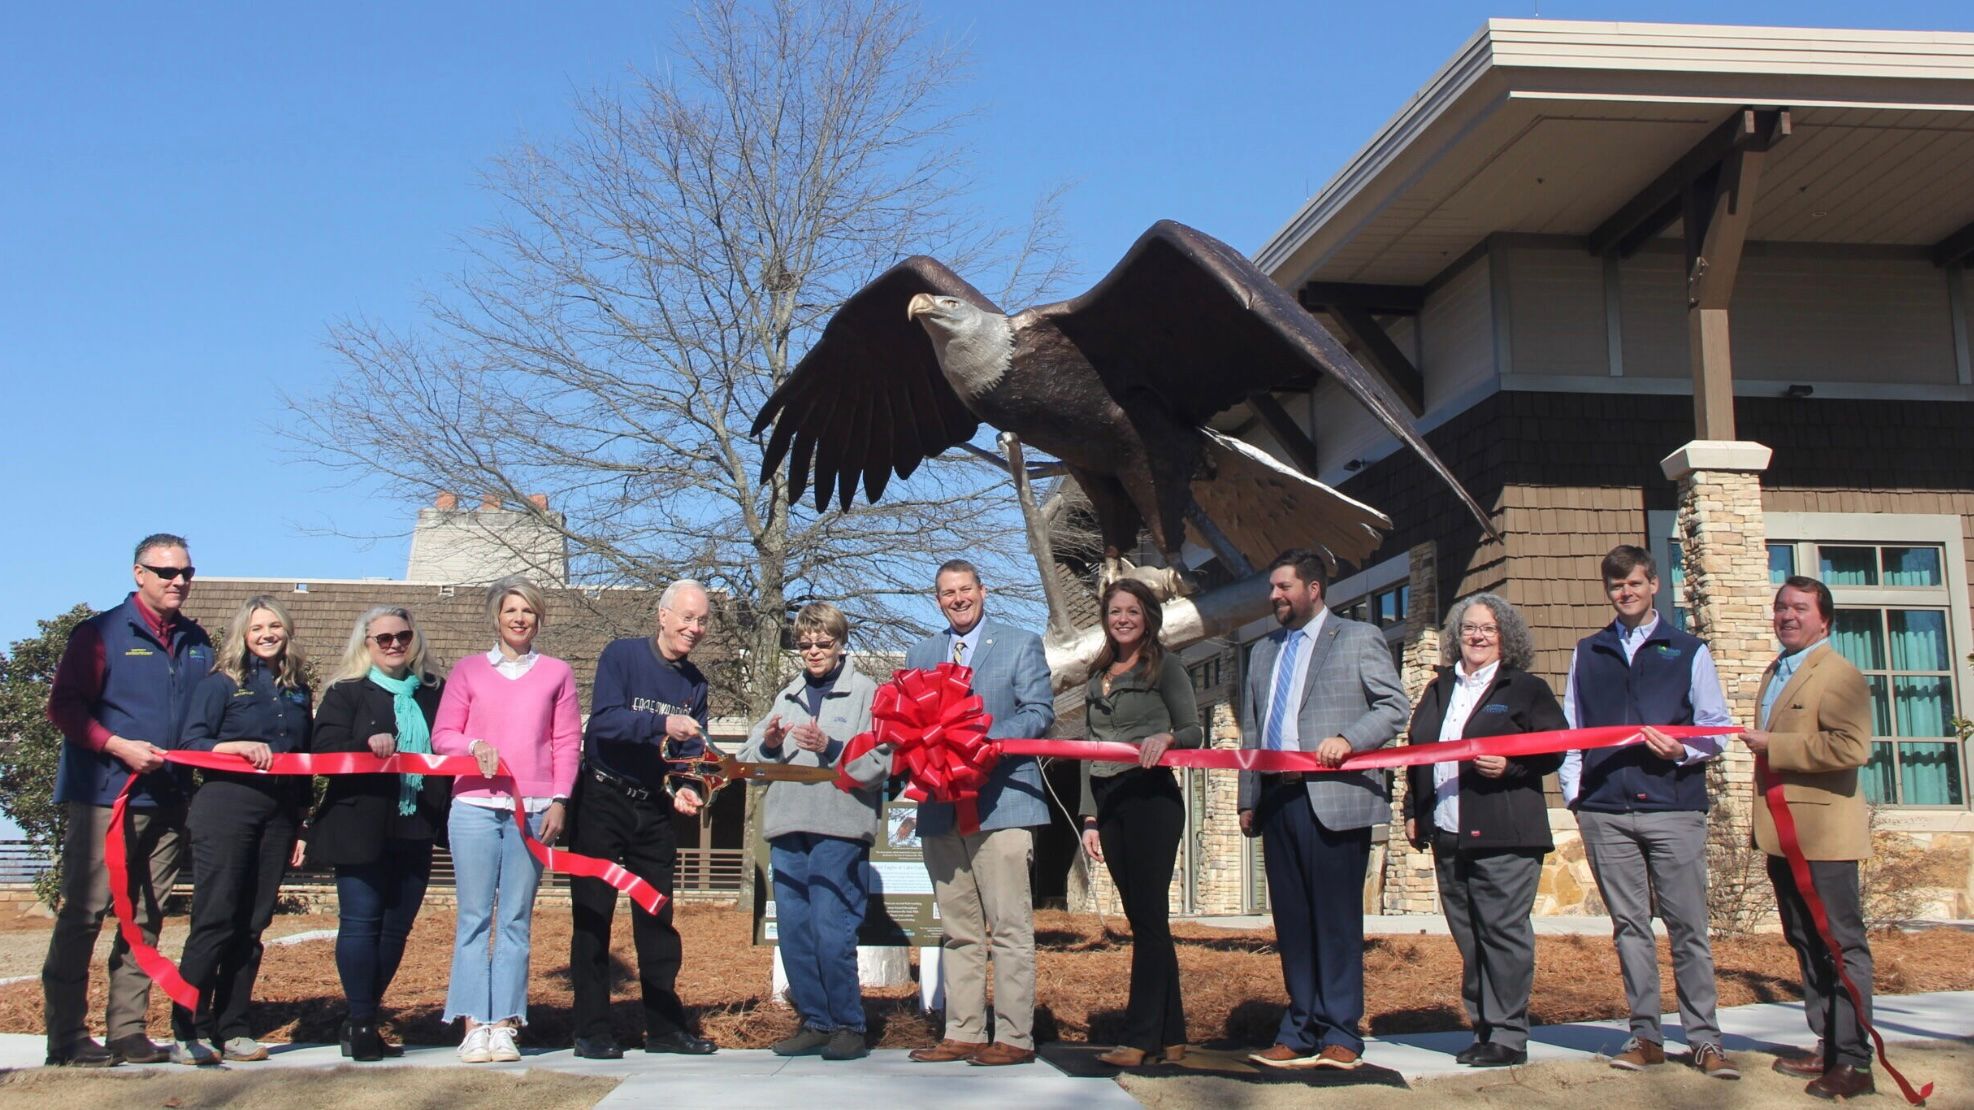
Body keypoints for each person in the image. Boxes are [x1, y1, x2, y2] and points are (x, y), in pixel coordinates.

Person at [1559, 545, 1738, 1079]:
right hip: (1607, 810)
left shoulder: (1686, 650)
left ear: (1654, 584)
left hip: (1674, 807)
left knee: (1688, 928)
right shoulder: (1589, 651)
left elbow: (1715, 726)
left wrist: (1683, 751)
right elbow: (1573, 730)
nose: (1626, 593)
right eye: (1616, 586)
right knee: (1629, 928)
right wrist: (1577, 795)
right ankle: (1646, 1037)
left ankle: (1705, 1040)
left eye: (1634, 583)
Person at [42, 534, 213, 1067]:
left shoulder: (198, 640)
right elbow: (64, 709)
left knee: (147, 917)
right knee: (85, 915)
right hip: (103, 799)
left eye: (185, 572)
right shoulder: (100, 633)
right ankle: (67, 1038)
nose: (178, 582)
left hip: (168, 799)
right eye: (165, 572)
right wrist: (117, 746)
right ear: (138, 573)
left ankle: (128, 1031)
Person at [1236, 548, 1407, 1071]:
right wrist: (1249, 798)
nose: (1274, 597)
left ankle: (1341, 1033)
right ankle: (1300, 1026)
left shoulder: (1358, 638)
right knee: (1291, 921)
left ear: (1313, 589)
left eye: (1283, 587)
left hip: (1334, 798)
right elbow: (1251, 728)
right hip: (1279, 799)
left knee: (1334, 921)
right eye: (1272, 588)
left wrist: (1349, 739)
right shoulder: (1263, 651)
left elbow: (1393, 706)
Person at [1402, 593, 1564, 1068]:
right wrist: (1415, 808)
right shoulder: (1438, 689)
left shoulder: (1525, 688)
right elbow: (1417, 752)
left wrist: (1513, 765)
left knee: (1502, 933)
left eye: (1488, 630)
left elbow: (1555, 747)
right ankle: (1483, 1028)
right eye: (1469, 628)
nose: (1477, 636)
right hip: (1448, 832)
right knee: (1470, 938)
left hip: (1505, 833)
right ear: (1457, 636)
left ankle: (1510, 1036)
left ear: (1505, 637)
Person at [905, 559, 1054, 1068]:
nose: (958, 598)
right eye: (948, 592)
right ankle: (963, 1031)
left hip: (1003, 804)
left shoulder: (1020, 642)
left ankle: (1015, 1037)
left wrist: (980, 742)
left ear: (982, 591)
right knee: (958, 928)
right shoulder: (920, 653)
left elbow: (1039, 713)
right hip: (941, 810)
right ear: (938, 598)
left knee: (1010, 927)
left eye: (965, 589)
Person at [432, 575, 581, 1064]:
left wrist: (560, 799)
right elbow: (443, 734)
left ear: (539, 619)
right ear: (496, 617)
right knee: (474, 918)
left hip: (533, 810)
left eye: (529, 611)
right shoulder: (469, 670)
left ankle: (506, 1025)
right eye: (511, 610)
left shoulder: (557, 673)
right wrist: (473, 746)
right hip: (474, 805)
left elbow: (565, 742)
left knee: (516, 918)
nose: (520, 619)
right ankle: (474, 1024)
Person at [1738, 576, 1877, 1100]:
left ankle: (1855, 1062)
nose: (1787, 616)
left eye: (1799, 608)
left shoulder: (1838, 674)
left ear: (1825, 618)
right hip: (1781, 835)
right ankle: (1828, 1043)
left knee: (1842, 946)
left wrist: (1775, 744)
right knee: (1806, 941)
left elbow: (1851, 747)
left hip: (1824, 838)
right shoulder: (1778, 670)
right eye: (1780, 608)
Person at [567, 580, 716, 1059]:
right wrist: (661, 724)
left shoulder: (695, 683)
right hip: (602, 798)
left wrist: (691, 786)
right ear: (663, 615)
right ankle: (592, 1030)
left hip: (652, 808)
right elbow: (605, 722)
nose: (694, 628)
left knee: (657, 916)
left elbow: (692, 752)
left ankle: (666, 1029)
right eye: (687, 618)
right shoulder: (623, 656)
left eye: (702, 621)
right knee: (593, 916)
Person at [739, 602, 891, 1062]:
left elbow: (882, 762)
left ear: (841, 644)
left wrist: (832, 747)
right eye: (805, 644)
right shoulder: (786, 696)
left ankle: (848, 1024)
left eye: (823, 643)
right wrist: (768, 745)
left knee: (831, 928)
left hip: (839, 828)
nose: (814, 651)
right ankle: (815, 1021)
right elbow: (749, 762)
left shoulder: (868, 693)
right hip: (787, 828)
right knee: (795, 931)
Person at [304, 605, 452, 1062]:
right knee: (361, 924)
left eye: (402, 636)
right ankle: (364, 1019)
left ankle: (358, 1017)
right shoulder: (346, 693)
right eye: (382, 638)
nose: (393, 645)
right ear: (365, 644)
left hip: (416, 822)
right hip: (360, 824)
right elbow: (322, 750)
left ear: (414, 639)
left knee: (395, 929)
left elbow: (449, 742)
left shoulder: (433, 692)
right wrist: (364, 746)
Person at [169, 596, 312, 1065]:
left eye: (275, 625)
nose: (268, 634)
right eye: (258, 628)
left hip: (279, 815)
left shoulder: (296, 689)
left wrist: (301, 824)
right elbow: (191, 743)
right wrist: (236, 746)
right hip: (226, 807)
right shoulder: (221, 683)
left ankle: (233, 1026)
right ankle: (189, 1029)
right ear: (242, 635)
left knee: (252, 925)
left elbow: (305, 762)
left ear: (287, 631)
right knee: (215, 919)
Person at [1075, 579, 1202, 1068]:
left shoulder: (1165, 666)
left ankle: (1141, 1037)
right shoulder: (1098, 672)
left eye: (1131, 610)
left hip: (1152, 797)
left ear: (1148, 615)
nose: (1122, 618)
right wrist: (1089, 815)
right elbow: (1087, 746)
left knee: (1148, 919)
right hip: (1109, 799)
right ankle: (1172, 1035)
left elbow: (1193, 727)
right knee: (1146, 921)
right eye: (1114, 612)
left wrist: (1167, 738)